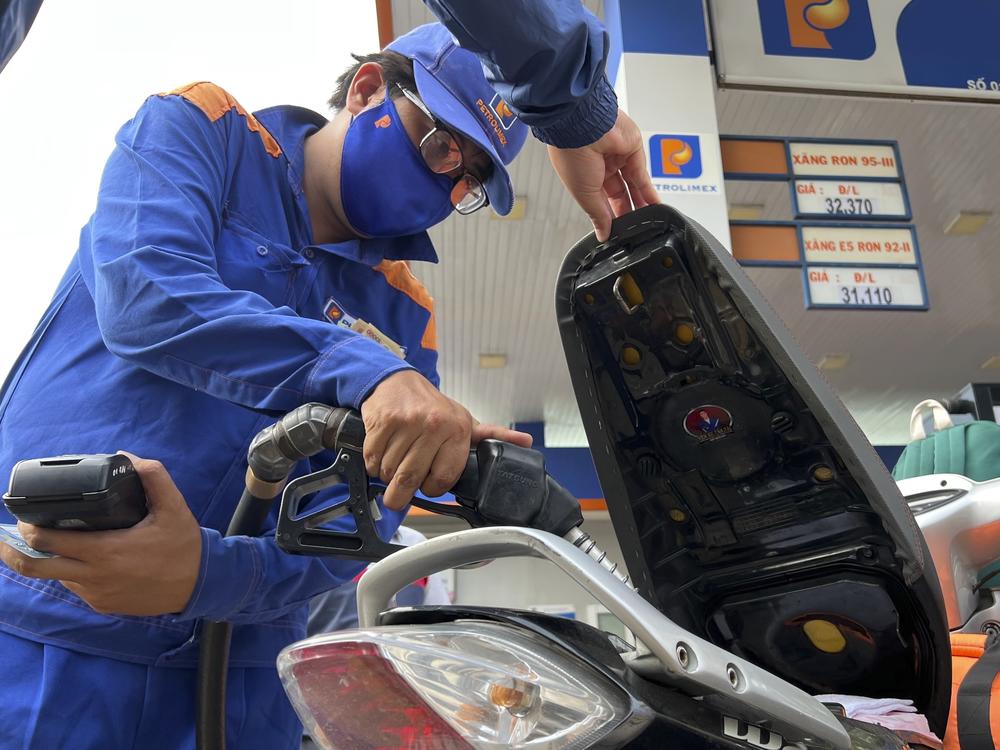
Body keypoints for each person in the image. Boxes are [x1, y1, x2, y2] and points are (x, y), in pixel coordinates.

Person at [0, 3, 657, 749]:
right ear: (368, 89)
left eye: (470, 178)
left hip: (237, 676)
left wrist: (207, 576)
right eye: (442, 144)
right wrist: (367, 372)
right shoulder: (204, 129)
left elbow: (362, 523)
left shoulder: (406, 309)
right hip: (46, 629)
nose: (448, 185)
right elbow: (147, 295)